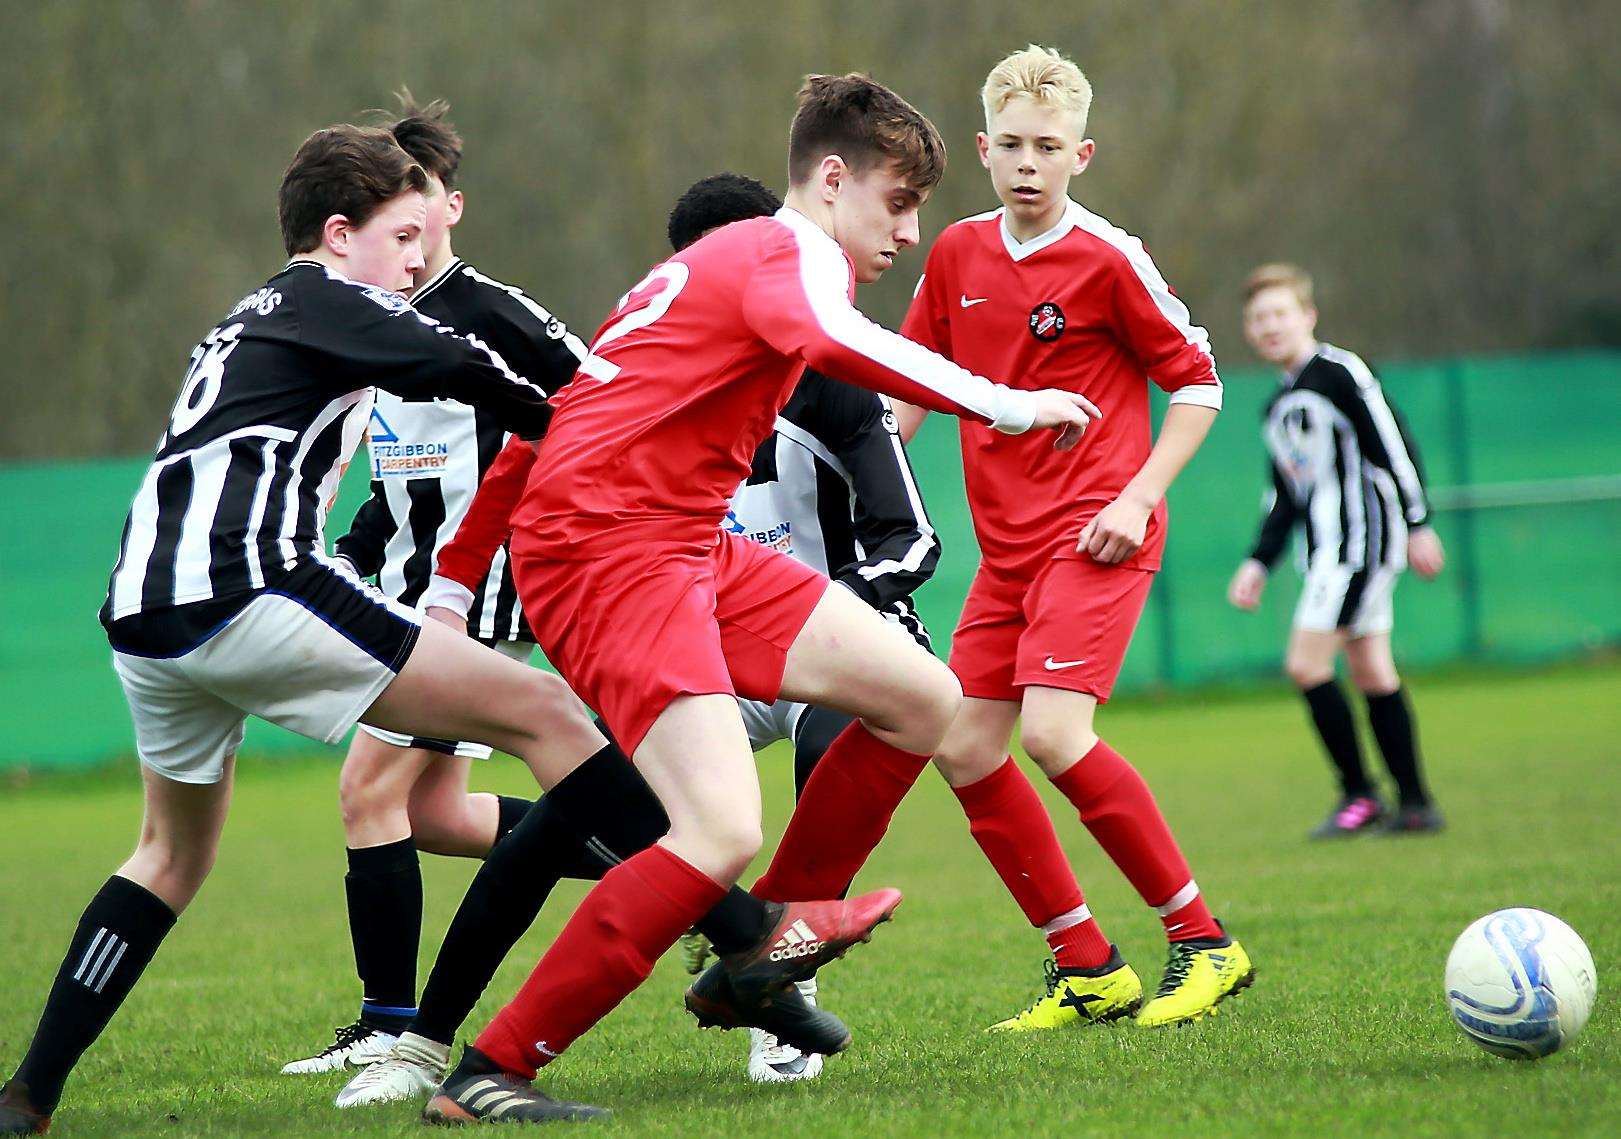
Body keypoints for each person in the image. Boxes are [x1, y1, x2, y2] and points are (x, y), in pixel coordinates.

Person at [419, 74, 1099, 1125]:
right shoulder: (776, 255)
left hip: (683, 543)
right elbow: (834, 344)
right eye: (898, 202)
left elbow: (556, 415)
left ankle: (762, 951)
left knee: (923, 695)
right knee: (717, 828)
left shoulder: (710, 266)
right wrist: (1005, 403)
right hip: (611, 555)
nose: (910, 232)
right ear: (832, 181)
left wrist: (460, 580)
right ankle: (492, 1067)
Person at [0, 124, 611, 1136]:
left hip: (146, 612)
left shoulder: (251, 315)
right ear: (339, 232)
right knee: (540, 712)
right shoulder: (337, 299)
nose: (416, 261)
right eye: (400, 237)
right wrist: (565, 421)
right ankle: (737, 919)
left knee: (169, 853)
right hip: (252, 583)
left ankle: (28, 1093)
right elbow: (450, 361)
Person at [331, 172, 943, 1106]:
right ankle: (460, 1053)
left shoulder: (827, 386)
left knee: (923, 700)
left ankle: (760, 954)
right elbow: (543, 443)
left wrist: (858, 610)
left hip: (779, 618)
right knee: (573, 830)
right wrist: (453, 583)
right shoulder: (675, 340)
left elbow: (910, 533)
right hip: (657, 596)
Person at [877, 44, 1253, 1030]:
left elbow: (1199, 384)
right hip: (1004, 553)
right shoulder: (955, 251)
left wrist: (1137, 496)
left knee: (1051, 732)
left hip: (1096, 537)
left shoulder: (1108, 256)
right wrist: (854, 486)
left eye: (1048, 145)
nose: (1028, 162)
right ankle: (1086, 964)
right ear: (982, 151)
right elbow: (910, 388)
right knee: (961, 744)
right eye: (1011, 145)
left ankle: (1207, 942)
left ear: (1081, 154)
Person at [278, 93, 592, 1078]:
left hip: (475, 597)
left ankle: (386, 1020)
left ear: (448, 206)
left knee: (366, 788)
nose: (410, 242)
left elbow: (591, 402)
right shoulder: (372, 323)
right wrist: (363, 537)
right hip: (414, 592)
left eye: (422, 213)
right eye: (392, 222)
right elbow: (405, 470)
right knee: (436, 815)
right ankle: (669, 860)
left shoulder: (488, 315)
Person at [1227, 262, 1445, 837]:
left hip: (1361, 544)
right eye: (1258, 318)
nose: (1269, 326)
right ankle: (1417, 804)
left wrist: (1419, 522)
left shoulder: (1341, 372)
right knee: (1372, 669)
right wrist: (1258, 561)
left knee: (1306, 664)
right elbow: (1285, 497)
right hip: (1328, 550)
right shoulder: (1277, 406)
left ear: (1308, 316)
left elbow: (1392, 443)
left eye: (1280, 313)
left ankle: (1360, 796)